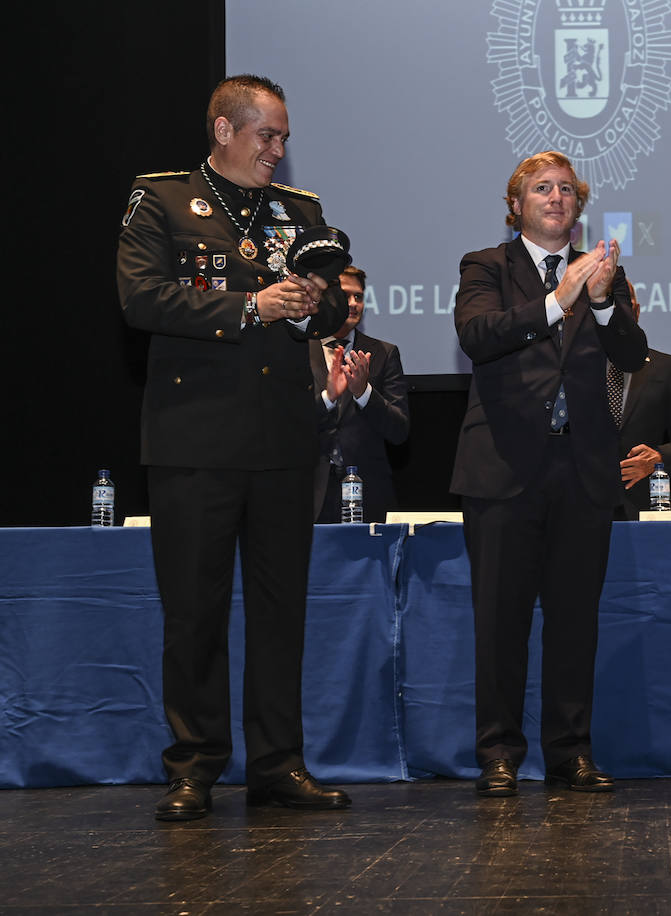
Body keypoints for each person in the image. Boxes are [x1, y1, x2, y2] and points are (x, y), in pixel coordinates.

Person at [116, 75, 352, 820]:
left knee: (282, 612)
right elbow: (141, 298)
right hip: (196, 438)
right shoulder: (160, 200)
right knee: (195, 611)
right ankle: (194, 765)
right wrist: (249, 306)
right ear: (223, 130)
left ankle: (279, 765)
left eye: (283, 138)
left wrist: (319, 302)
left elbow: (335, 307)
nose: (278, 151)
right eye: (266, 136)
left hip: (284, 439)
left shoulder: (300, 211)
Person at [450, 151, 647, 796]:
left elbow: (631, 354)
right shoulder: (485, 266)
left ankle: (570, 752)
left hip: (584, 471)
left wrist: (604, 303)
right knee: (500, 622)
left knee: (574, 621)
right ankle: (499, 754)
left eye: (566, 188)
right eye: (542, 188)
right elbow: (480, 335)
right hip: (504, 469)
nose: (556, 197)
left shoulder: (602, 272)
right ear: (516, 206)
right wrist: (561, 302)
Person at [312, 265, 411, 523]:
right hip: (308, 492)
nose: (354, 304)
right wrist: (328, 399)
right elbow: (285, 424)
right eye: (346, 296)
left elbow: (399, 430)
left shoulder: (383, 353)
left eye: (359, 296)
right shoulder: (298, 350)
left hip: (368, 494)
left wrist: (364, 393)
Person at [612, 284, 671, 519]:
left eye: (624, 302)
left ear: (637, 311)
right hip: (579, 507)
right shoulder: (573, 368)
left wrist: (659, 457)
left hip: (641, 505)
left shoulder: (664, 367)